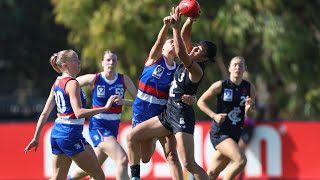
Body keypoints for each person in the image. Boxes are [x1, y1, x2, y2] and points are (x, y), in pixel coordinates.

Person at [126, 7, 217, 180]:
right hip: (167, 114)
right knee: (132, 138)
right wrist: (190, 19)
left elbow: (182, 50)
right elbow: (184, 37)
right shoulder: (186, 59)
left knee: (188, 163)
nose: (194, 49)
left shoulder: (195, 68)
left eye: (198, 50)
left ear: (204, 58)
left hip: (181, 115)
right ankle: (135, 178)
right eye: (195, 47)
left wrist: (174, 27)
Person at [24, 50, 120, 180]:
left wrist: (36, 137)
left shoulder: (57, 82)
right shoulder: (72, 83)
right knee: (98, 175)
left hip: (58, 134)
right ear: (65, 65)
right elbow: (79, 113)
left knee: (59, 178)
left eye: (78, 58)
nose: (79, 62)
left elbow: (44, 113)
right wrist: (104, 108)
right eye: (74, 59)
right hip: (70, 134)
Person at [67, 50, 137, 180]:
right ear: (102, 62)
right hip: (99, 127)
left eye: (113, 60)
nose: (111, 62)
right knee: (122, 159)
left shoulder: (123, 79)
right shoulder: (95, 78)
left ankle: (67, 178)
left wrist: (124, 102)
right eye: (108, 60)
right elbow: (69, 83)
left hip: (113, 128)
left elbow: (139, 102)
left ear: (117, 63)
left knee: (91, 169)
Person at [197, 56, 256, 180]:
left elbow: (251, 114)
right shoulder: (220, 85)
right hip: (220, 132)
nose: (237, 67)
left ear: (245, 69)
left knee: (212, 173)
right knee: (240, 161)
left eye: (240, 65)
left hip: (234, 134)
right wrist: (214, 115)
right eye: (234, 65)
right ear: (229, 68)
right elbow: (201, 102)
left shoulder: (249, 88)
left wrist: (248, 110)